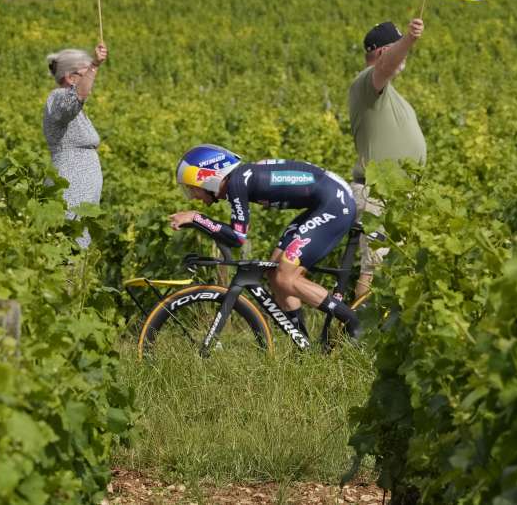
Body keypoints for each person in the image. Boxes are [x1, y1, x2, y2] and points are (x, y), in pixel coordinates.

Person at [168, 144, 362, 339]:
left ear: (208, 178)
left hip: (335, 204)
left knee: (286, 277)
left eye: (193, 189)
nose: (193, 196)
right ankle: (302, 345)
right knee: (274, 273)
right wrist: (198, 221)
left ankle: (354, 323)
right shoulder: (240, 179)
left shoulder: (237, 182)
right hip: (324, 201)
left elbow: (237, 237)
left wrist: (196, 218)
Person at [347, 18, 426, 296]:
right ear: (382, 52)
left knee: (391, 270)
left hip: (394, 194)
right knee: (376, 270)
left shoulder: (386, 91)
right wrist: (409, 40)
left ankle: (374, 335)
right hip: (377, 194)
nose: (403, 56)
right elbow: (385, 66)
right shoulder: (368, 83)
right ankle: (361, 337)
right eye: (395, 49)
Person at [43, 41, 108, 248]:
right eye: (84, 73)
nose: (90, 79)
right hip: (71, 183)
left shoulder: (68, 101)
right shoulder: (59, 97)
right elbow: (77, 97)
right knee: (71, 240)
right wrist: (95, 65)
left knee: (79, 239)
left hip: (82, 186)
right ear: (71, 78)